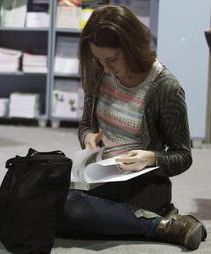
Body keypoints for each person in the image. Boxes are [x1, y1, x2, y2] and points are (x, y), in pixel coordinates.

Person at [57, 4, 207, 250]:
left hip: (141, 186)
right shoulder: (99, 72)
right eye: (99, 59)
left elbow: (183, 156)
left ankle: (156, 223)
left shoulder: (165, 88)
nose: (106, 67)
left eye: (113, 59)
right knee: (40, 197)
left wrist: (150, 159)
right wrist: (88, 138)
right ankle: (155, 223)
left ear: (133, 47)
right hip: (98, 178)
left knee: (65, 207)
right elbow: (86, 125)